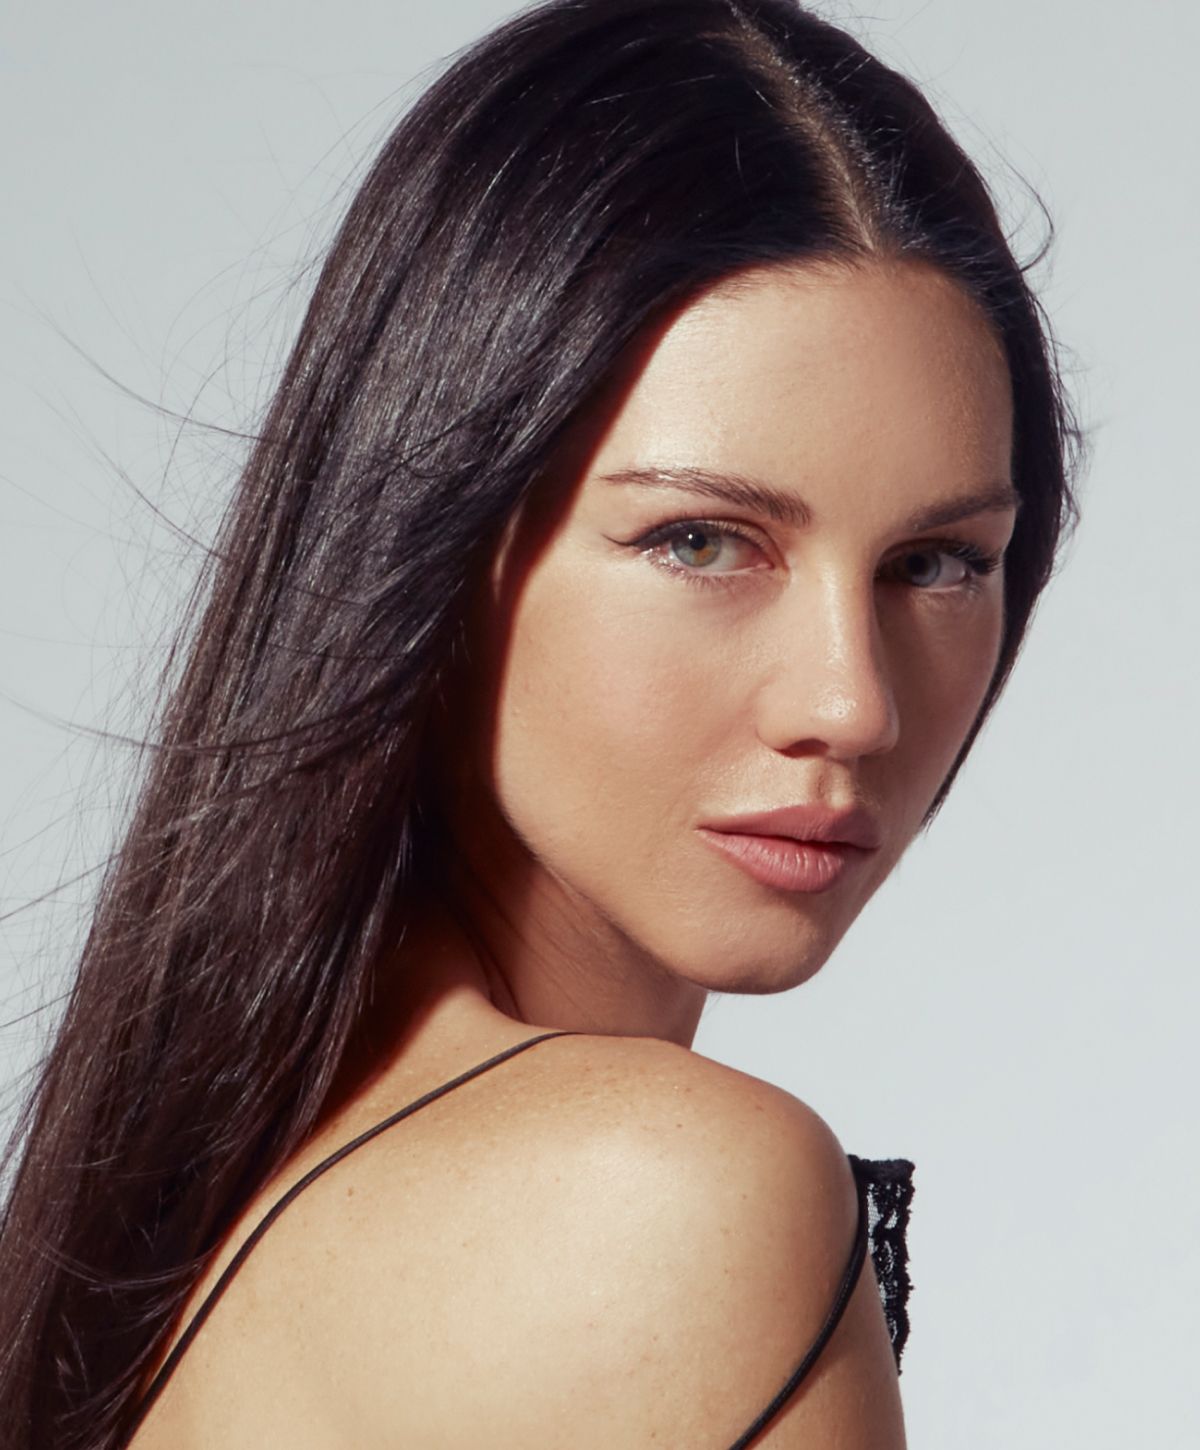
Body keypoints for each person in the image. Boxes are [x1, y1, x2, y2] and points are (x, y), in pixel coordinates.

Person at [0, 0, 1081, 1445]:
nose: (851, 699)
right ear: (434, 544)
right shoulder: (672, 1198)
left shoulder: (239, 1195)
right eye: (702, 541)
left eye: (934, 564)